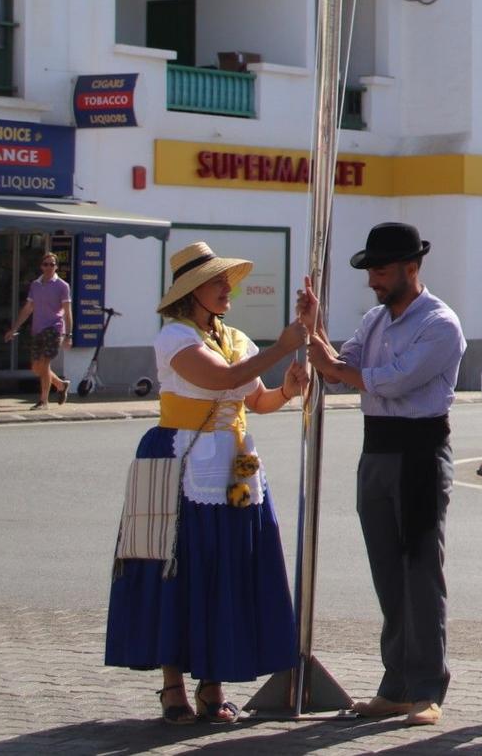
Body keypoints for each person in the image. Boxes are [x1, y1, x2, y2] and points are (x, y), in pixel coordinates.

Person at [104, 241, 315, 724]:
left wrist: (288, 387)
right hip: (181, 457)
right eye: (217, 283)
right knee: (177, 564)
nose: (227, 290)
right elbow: (222, 380)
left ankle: (213, 684)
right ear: (192, 291)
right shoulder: (174, 338)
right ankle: (173, 684)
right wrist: (283, 347)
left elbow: (255, 400)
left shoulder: (236, 338)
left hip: (236, 461)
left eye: (227, 282)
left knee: (229, 565)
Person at [307, 222, 465, 728]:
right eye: (371, 269)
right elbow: (340, 362)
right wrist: (312, 332)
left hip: (419, 453)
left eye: (380, 269)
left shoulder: (440, 323)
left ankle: (426, 687)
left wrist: (337, 369)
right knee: (387, 572)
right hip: (377, 450)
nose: (373, 279)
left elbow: (391, 382)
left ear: (411, 268)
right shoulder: (375, 319)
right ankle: (395, 683)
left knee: (420, 571)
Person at [5, 250, 72, 408]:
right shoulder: (35, 285)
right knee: (36, 367)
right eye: (46, 264)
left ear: (56, 267)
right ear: (41, 266)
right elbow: (28, 308)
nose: (49, 267)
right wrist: (14, 328)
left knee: (45, 363)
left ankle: (43, 401)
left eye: (52, 264)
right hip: (37, 329)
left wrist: (68, 335)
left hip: (54, 328)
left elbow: (67, 311)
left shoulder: (62, 286)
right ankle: (61, 385)